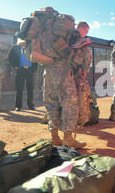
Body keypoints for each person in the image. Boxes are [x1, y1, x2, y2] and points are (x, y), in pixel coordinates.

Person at [43, 17, 87, 149]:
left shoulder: (50, 35)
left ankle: (55, 137)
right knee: (70, 103)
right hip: (63, 71)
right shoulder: (76, 37)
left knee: (51, 104)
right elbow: (81, 60)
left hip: (47, 69)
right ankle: (68, 138)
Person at [70, 21, 93, 132]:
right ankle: (79, 121)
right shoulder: (83, 43)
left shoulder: (67, 39)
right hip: (77, 75)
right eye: (86, 30)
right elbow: (87, 61)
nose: (86, 33)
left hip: (64, 74)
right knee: (80, 98)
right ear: (81, 28)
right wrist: (84, 72)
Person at [8, 38, 38, 111]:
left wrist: (33, 69)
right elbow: (10, 57)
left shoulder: (31, 47)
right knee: (19, 88)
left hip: (29, 70)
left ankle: (31, 105)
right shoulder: (15, 47)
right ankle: (18, 106)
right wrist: (15, 66)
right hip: (20, 70)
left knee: (30, 88)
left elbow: (36, 57)